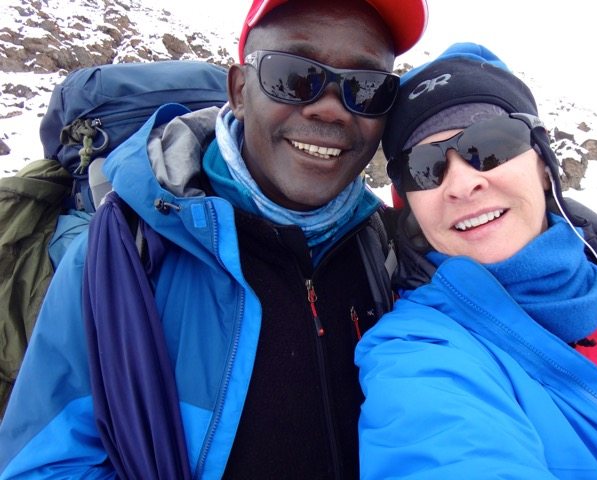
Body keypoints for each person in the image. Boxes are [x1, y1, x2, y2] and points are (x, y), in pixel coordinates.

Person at [0, 0, 429, 478]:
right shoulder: (125, 251)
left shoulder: (384, 251)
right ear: (240, 91)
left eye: (366, 88)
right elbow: (44, 464)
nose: (330, 108)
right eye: (292, 75)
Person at [356, 42, 597, 479]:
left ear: (545, 164)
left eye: (490, 144)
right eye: (425, 167)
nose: (462, 184)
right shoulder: (420, 351)